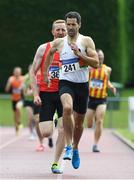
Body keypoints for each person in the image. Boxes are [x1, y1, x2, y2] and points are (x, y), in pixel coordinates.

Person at [43, 11, 99, 169]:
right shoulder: (60, 43)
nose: (71, 27)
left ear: (79, 25)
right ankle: (68, 146)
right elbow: (49, 53)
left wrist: (80, 55)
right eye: (68, 24)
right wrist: (46, 73)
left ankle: (75, 148)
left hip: (82, 85)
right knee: (67, 108)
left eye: (74, 24)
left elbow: (95, 63)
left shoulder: (86, 41)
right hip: (66, 82)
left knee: (79, 124)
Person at [30, 19, 67, 174]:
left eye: (63, 30)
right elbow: (33, 71)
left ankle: (55, 163)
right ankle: (53, 119)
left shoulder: (71, 49)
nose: (60, 32)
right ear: (52, 32)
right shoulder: (43, 48)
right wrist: (36, 93)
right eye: (57, 29)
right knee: (46, 132)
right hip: (46, 93)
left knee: (64, 129)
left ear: (67, 31)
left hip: (65, 92)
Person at [85, 49, 117, 152]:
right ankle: (93, 118)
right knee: (89, 125)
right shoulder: (89, 69)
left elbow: (107, 82)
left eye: (102, 56)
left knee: (99, 121)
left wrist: (111, 87)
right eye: (99, 56)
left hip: (102, 98)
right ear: (95, 57)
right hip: (91, 99)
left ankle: (95, 144)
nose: (101, 58)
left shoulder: (107, 69)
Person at [5, 67, 24, 135]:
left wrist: (23, 87)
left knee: (18, 107)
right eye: (16, 72)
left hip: (21, 98)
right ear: (14, 72)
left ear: (20, 72)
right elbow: (6, 90)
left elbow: (26, 88)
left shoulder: (23, 78)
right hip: (14, 99)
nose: (17, 73)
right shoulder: (11, 79)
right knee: (14, 115)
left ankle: (19, 122)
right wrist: (9, 83)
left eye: (18, 72)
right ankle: (17, 126)